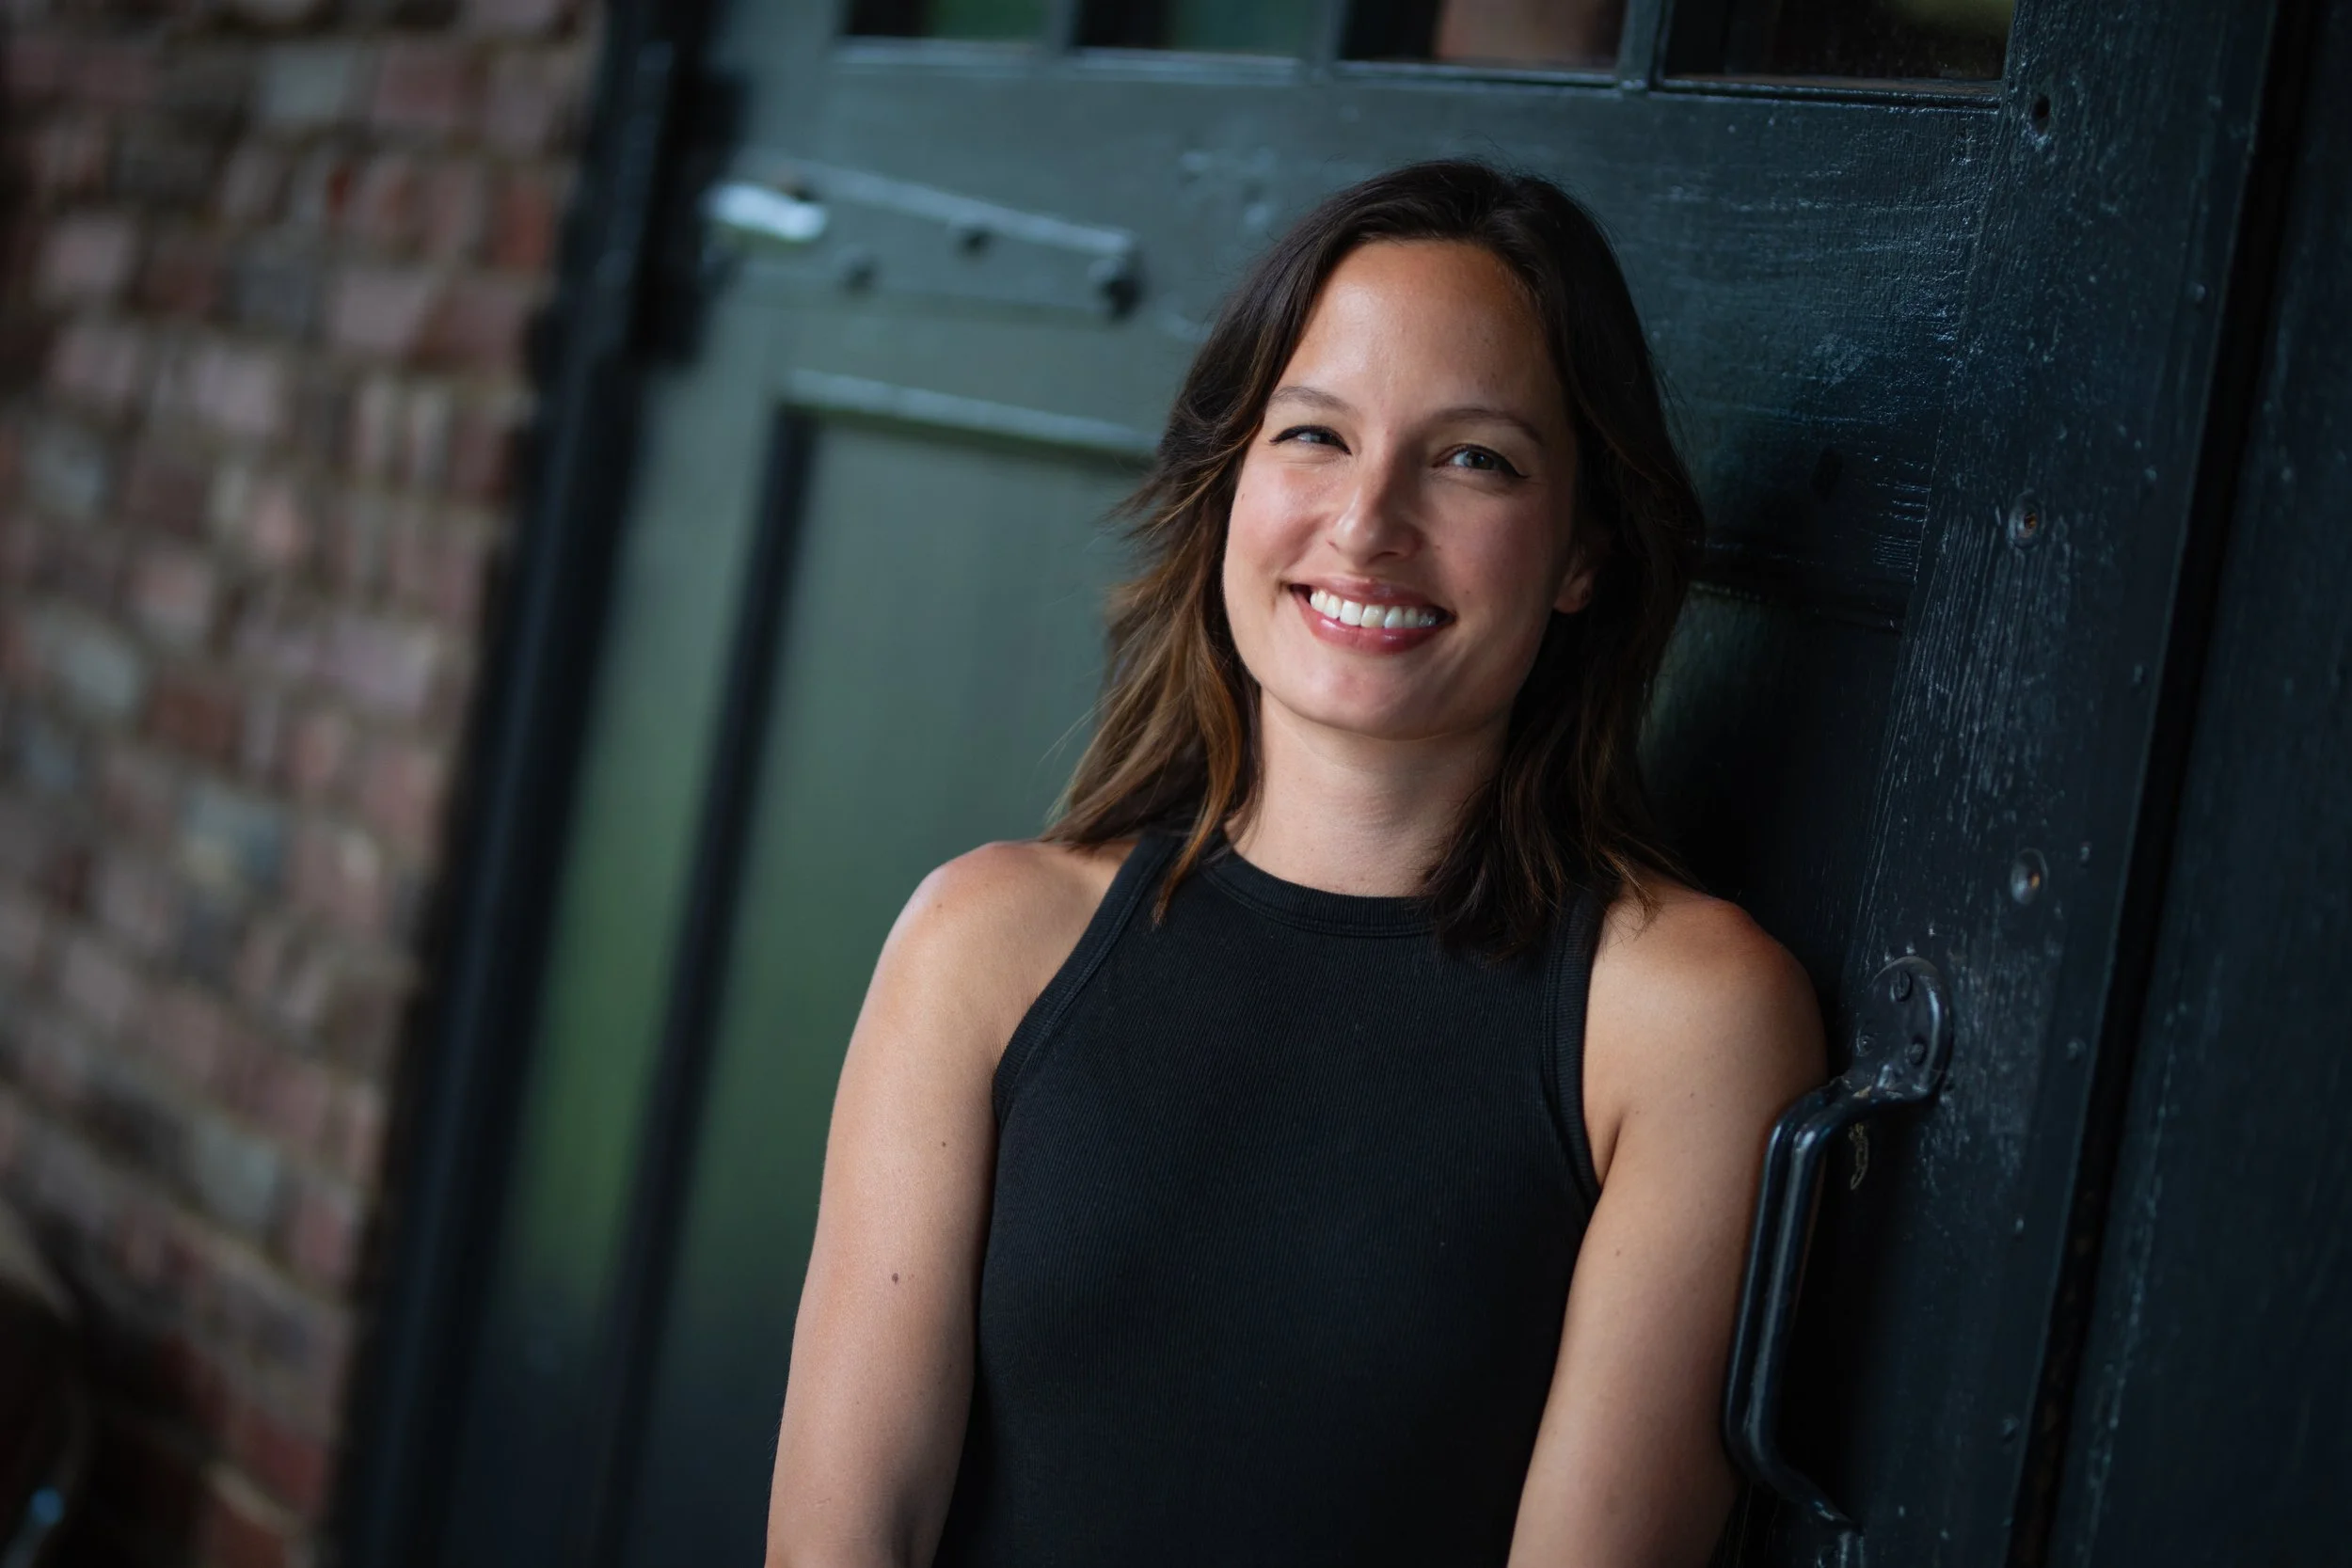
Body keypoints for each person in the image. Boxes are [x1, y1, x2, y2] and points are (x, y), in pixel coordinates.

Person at [764, 159, 1823, 1568]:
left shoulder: (1683, 1018)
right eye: (1315, 436)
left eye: (1474, 459)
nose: (1369, 521)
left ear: (1584, 552)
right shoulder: (984, 945)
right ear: (1228, 484)